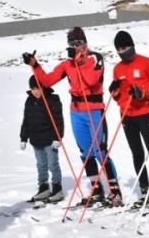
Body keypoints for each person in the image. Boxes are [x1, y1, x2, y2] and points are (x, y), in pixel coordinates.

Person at [23, 27, 123, 207]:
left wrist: (80, 62)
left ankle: (115, 192)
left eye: (79, 43)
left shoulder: (95, 58)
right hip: (76, 111)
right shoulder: (66, 64)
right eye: (72, 43)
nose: (76, 46)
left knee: (100, 150)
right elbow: (47, 80)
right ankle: (96, 189)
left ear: (85, 43)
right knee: (86, 153)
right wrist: (35, 65)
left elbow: (92, 80)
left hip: (94, 109)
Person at [108, 30, 149, 209]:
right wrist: (114, 93)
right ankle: (146, 192)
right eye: (119, 49)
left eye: (125, 47)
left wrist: (143, 93)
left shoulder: (146, 63)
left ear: (132, 46)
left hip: (144, 113)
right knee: (137, 154)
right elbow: (120, 95)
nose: (123, 51)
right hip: (127, 116)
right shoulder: (117, 68)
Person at [20, 75, 65, 203]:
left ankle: (57, 188)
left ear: (43, 86)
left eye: (38, 88)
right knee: (41, 165)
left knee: (52, 164)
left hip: (50, 140)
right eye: (33, 88)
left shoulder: (52, 100)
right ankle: (43, 187)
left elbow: (59, 121)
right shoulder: (30, 101)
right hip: (36, 139)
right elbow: (26, 120)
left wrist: (58, 137)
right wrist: (23, 137)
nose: (36, 91)